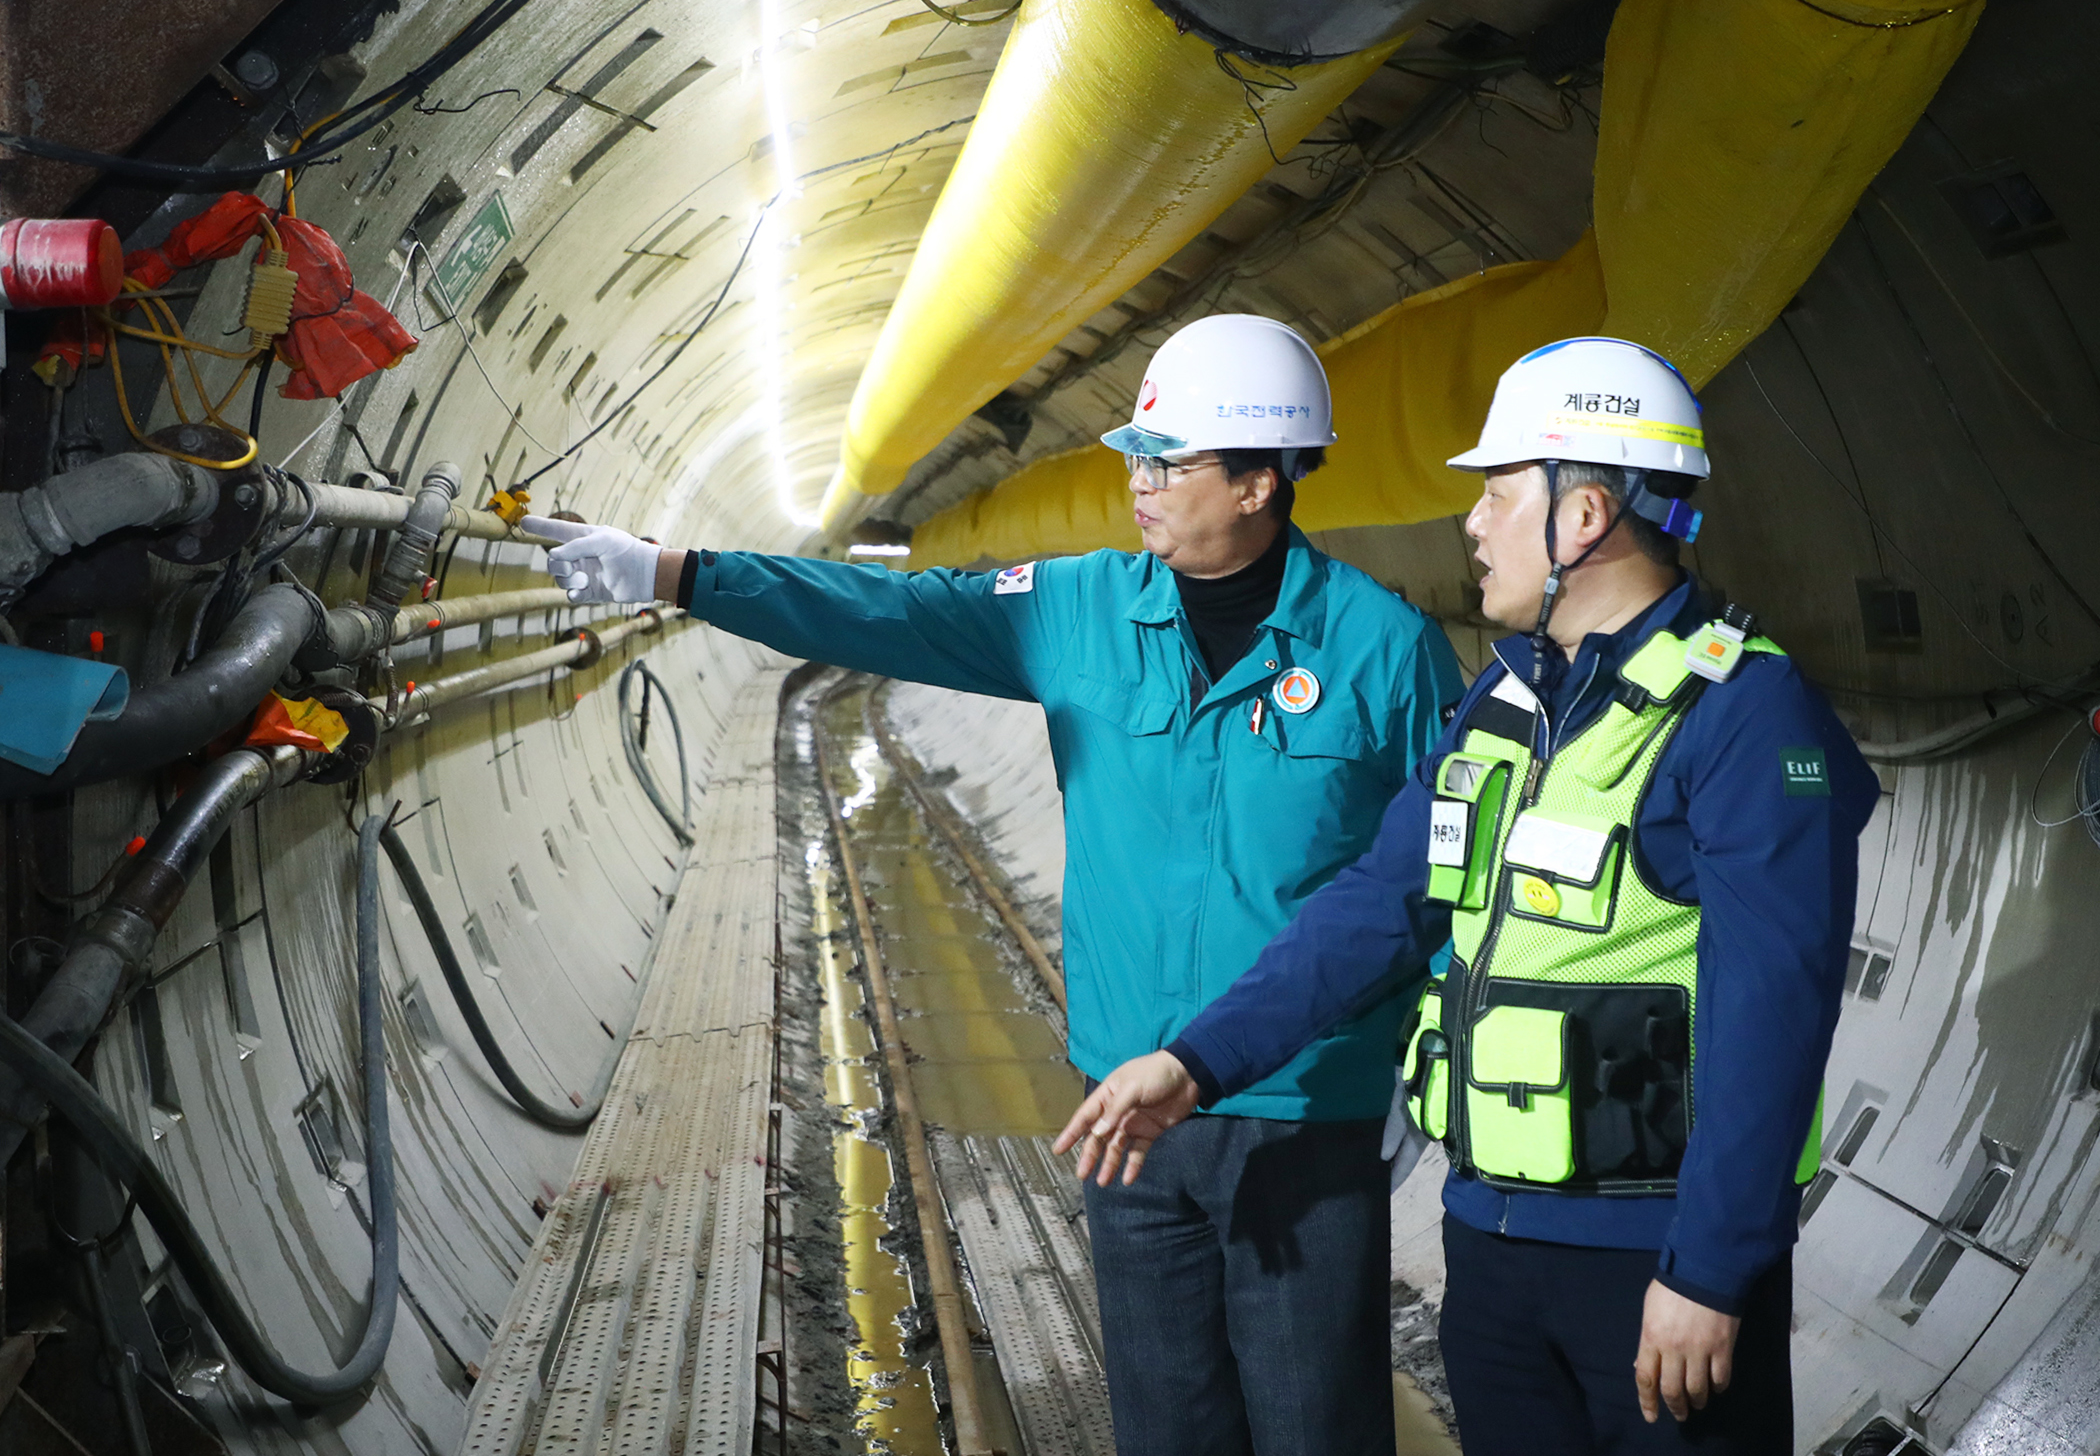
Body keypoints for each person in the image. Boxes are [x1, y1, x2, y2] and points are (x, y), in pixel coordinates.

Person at [523, 313, 1463, 1456]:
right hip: (1126, 1113)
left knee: (1318, 1428)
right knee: (1166, 1428)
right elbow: (889, 613)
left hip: (1302, 1114)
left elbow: (1435, 881)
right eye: (1135, 457)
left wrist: (1422, 1066)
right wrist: (679, 573)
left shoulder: (1384, 652)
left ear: (1261, 482)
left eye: (1167, 462)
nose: (1138, 482)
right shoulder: (1080, 610)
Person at [1056, 337, 1881, 1455]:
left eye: (1498, 493)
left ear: (1582, 515)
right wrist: (1196, 1063)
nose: (1474, 524)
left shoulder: (1743, 714)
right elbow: (1378, 907)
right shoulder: (1508, 701)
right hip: (1491, 1251)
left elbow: (1773, 1014)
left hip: (1650, 1262)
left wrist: (1711, 1271)